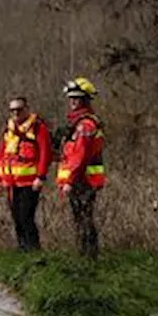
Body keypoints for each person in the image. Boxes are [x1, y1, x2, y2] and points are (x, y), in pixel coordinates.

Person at [56, 77, 107, 259]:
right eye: (71, 99)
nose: (72, 102)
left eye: (76, 99)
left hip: (83, 180)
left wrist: (70, 180)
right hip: (81, 179)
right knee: (80, 218)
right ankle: (85, 255)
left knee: (84, 219)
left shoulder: (85, 125)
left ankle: (88, 256)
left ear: (85, 100)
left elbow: (80, 156)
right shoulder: (77, 123)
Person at [0, 96, 52, 251]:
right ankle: (22, 249)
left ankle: (34, 250)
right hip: (11, 183)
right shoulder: (9, 130)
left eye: (19, 110)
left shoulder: (38, 128)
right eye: (12, 111)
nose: (16, 113)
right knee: (17, 218)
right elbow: (2, 156)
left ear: (27, 109)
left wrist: (41, 177)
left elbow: (45, 153)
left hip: (30, 182)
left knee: (26, 217)